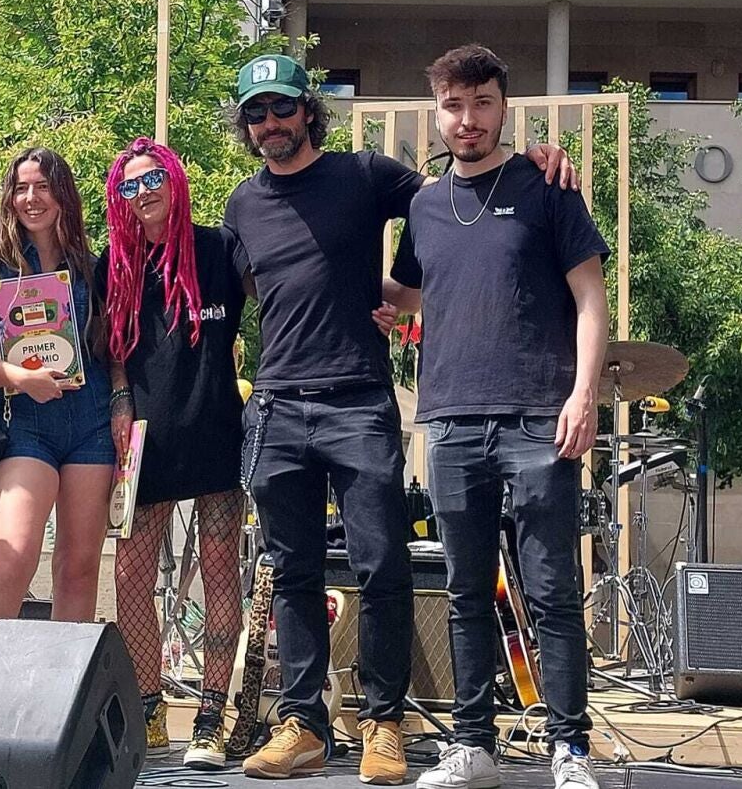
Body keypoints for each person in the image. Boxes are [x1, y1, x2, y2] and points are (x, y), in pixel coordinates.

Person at [222, 53, 576, 783]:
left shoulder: (365, 175)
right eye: (256, 112)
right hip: (278, 403)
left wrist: (537, 159)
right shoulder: (241, 205)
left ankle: (382, 721)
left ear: (308, 110)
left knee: (382, 564)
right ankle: (303, 724)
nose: (271, 122)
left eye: (283, 107)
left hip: (358, 399)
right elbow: (252, 290)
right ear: (246, 125)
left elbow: (462, 197)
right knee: (291, 570)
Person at [384, 45, 607, 789]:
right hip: (449, 419)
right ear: (437, 113)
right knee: (466, 593)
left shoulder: (546, 185)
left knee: (552, 593)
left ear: (504, 107)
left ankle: (570, 750)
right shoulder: (423, 205)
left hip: (539, 417)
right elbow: (415, 292)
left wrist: (583, 394)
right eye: (454, 105)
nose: (468, 119)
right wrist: (340, 280)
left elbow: (590, 297)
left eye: (482, 103)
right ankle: (473, 746)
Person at [97, 138, 246, 770]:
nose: (143, 192)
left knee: (220, 568)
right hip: (142, 440)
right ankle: (149, 707)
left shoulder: (220, 248)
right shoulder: (114, 262)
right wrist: (119, 399)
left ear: (174, 179)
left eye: (152, 177)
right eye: (129, 185)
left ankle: (212, 714)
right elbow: (110, 352)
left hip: (215, 428)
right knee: (130, 575)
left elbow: (285, 291)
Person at [0, 148, 115, 622]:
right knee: (13, 555)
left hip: (92, 424)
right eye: (22, 188)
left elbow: (109, 347)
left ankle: (65, 671)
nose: (32, 198)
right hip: (26, 423)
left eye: (43, 187)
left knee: (79, 568)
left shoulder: (91, 264)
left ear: (63, 195)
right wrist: (21, 378)